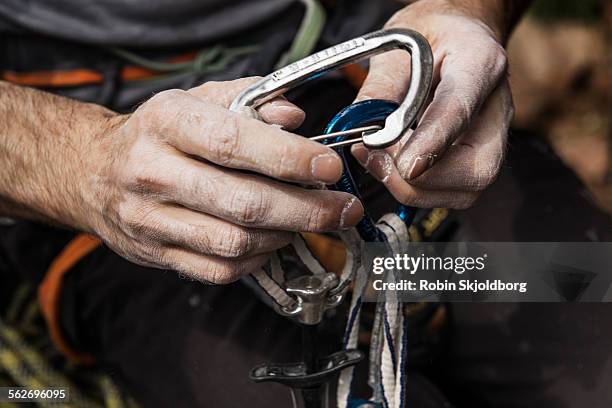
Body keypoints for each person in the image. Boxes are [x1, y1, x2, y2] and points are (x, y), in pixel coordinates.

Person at [0, 0, 532, 406]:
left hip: (374, 100)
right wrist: (81, 160)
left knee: (582, 308)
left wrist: (468, 12)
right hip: (85, 176)